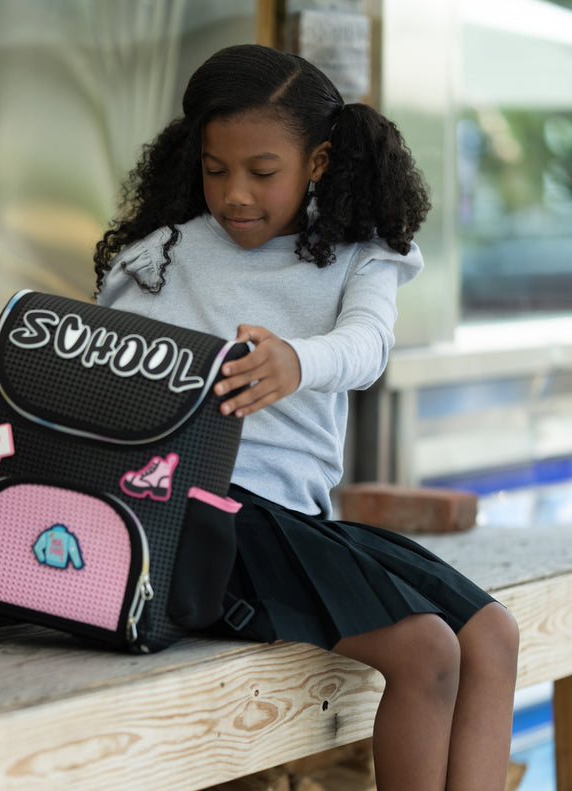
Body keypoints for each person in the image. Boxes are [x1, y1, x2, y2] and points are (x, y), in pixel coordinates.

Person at [93, 44, 519, 791]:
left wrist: (297, 361)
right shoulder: (159, 259)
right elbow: (99, 387)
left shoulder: (360, 255)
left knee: (493, 634)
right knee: (427, 651)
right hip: (191, 519)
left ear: (318, 161)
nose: (235, 195)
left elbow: (368, 345)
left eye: (263, 172)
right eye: (215, 169)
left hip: (293, 522)